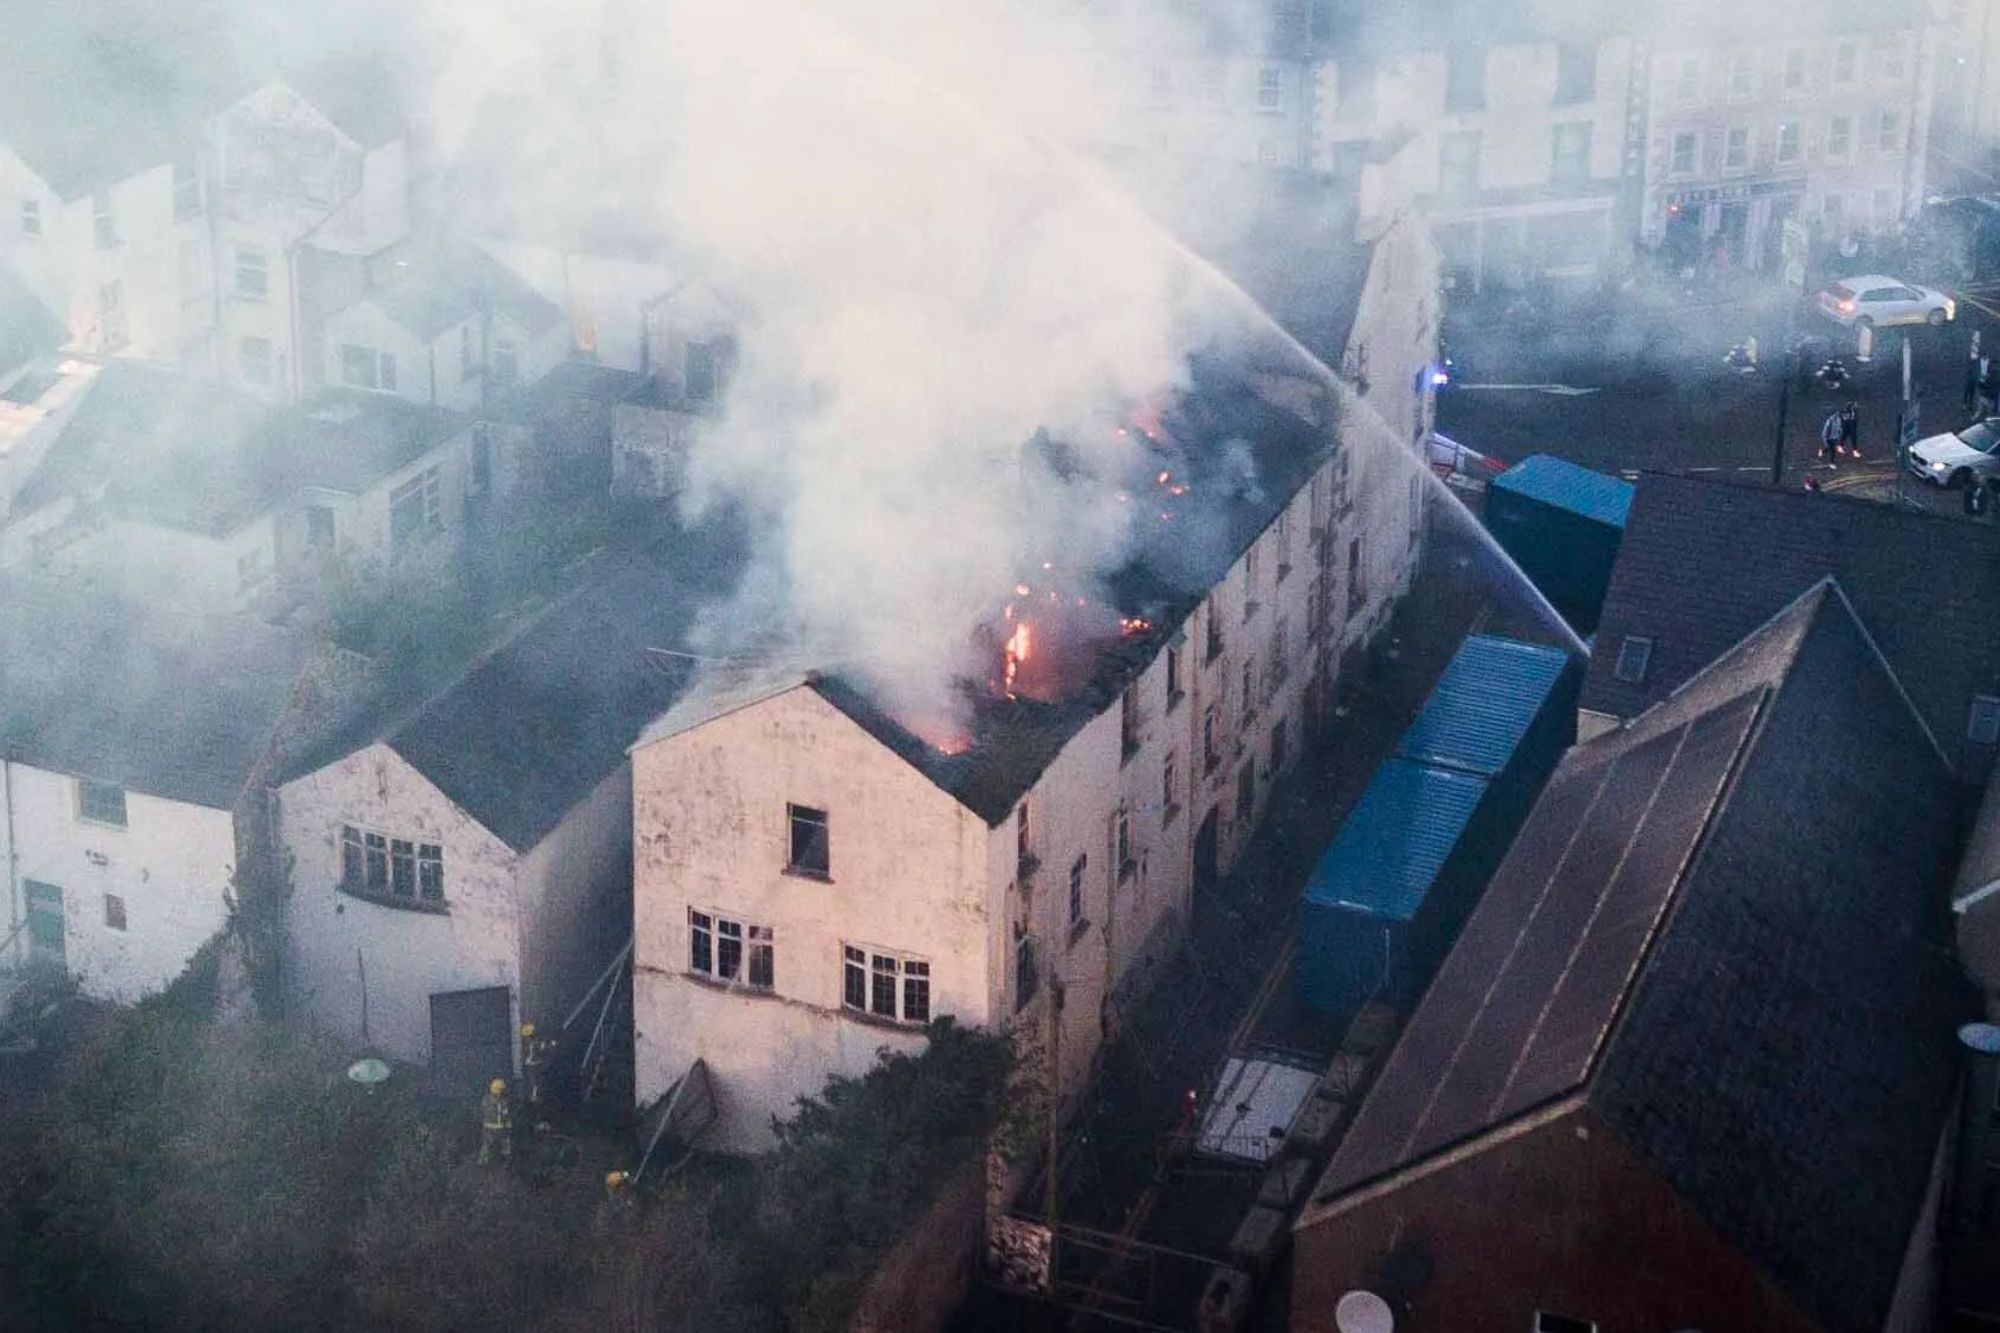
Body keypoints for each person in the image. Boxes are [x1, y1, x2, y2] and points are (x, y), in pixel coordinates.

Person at [479, 1078, 514, 1165]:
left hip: (488, 1127)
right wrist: (509, 1127)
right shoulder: (502, 1102)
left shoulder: (486, 1100)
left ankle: (483, 1161)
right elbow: (506, 1115)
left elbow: (483, 1111)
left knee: (487, 1145)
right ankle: (506, 1161)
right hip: (498, 1128)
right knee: (504, 1144)